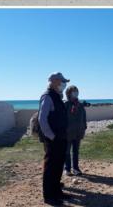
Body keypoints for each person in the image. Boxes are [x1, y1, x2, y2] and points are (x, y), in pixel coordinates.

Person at [38, 72, 70, 206]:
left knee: (58, 166)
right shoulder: (47, 96)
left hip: (61, 137)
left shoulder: (57, 96)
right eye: (62, 81)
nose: (63, 84)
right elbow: (42, 119)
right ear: (55, 81)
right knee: (51, 167)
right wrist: (52, 136)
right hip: (53, 139)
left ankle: (57, 191)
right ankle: (49, 195)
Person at [64, 85, 87, 176]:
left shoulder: (80, 105)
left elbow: (84, 117)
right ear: (69, 93)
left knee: (76, 151)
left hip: (78, 132)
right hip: (68, 132)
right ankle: (67, 168)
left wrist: (84, 127)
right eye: (73, 91)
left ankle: (76, 168)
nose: (75, 93)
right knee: (66, 151)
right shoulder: (66, 104)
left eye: (76, 91)